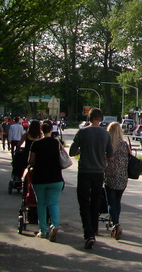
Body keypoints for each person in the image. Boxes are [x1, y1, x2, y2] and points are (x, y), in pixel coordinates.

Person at [69, 107, 114, 250]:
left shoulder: (82, 132)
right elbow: (111, 156)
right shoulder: (106, 134)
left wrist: (82, 149)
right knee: (95, 202)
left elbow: (71, 152)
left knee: (84, 202)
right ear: (100, 119)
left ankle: (88, 233)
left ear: (89, 118)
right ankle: (94, 229)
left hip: (84, 171)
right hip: (99, 172)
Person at [28, 121, 64, 241]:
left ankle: (42, 230)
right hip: (56, 178)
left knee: (41, 204)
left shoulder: (36, 144)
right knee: (53, 203)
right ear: (51, 130)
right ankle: (54, 225)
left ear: (41, 130)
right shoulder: (56, 143)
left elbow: (31, 161)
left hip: (40, 178)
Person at [104, 122, 131, 241]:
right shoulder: (124, 144)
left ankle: (116, 224)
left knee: (111, 202)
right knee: (117, 201)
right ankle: (116, 222)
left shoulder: (108, 144)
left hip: (110, 176)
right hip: (122, 177)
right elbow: (130, 157)